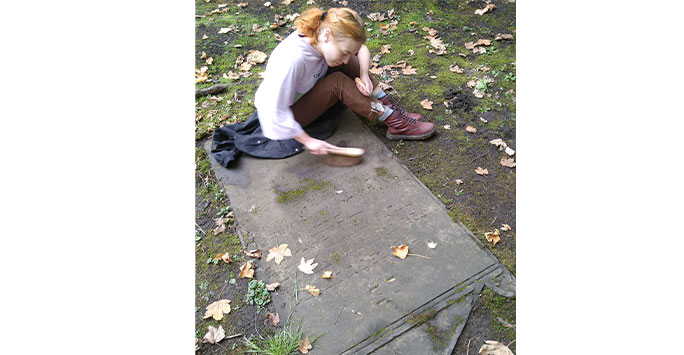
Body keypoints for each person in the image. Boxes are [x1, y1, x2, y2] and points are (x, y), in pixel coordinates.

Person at [254, 6, 436, 156]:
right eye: (344, 51)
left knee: (347, 63)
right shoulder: (293, 59)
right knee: (337, 82)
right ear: (327, 36)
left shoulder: (323, 36)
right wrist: (308, 141)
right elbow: (272, 112)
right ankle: (393, 120)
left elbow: (361, 48)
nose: (347, 58)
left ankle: (390, 108)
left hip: (306, 92)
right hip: (289, 115)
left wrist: (364, 74)